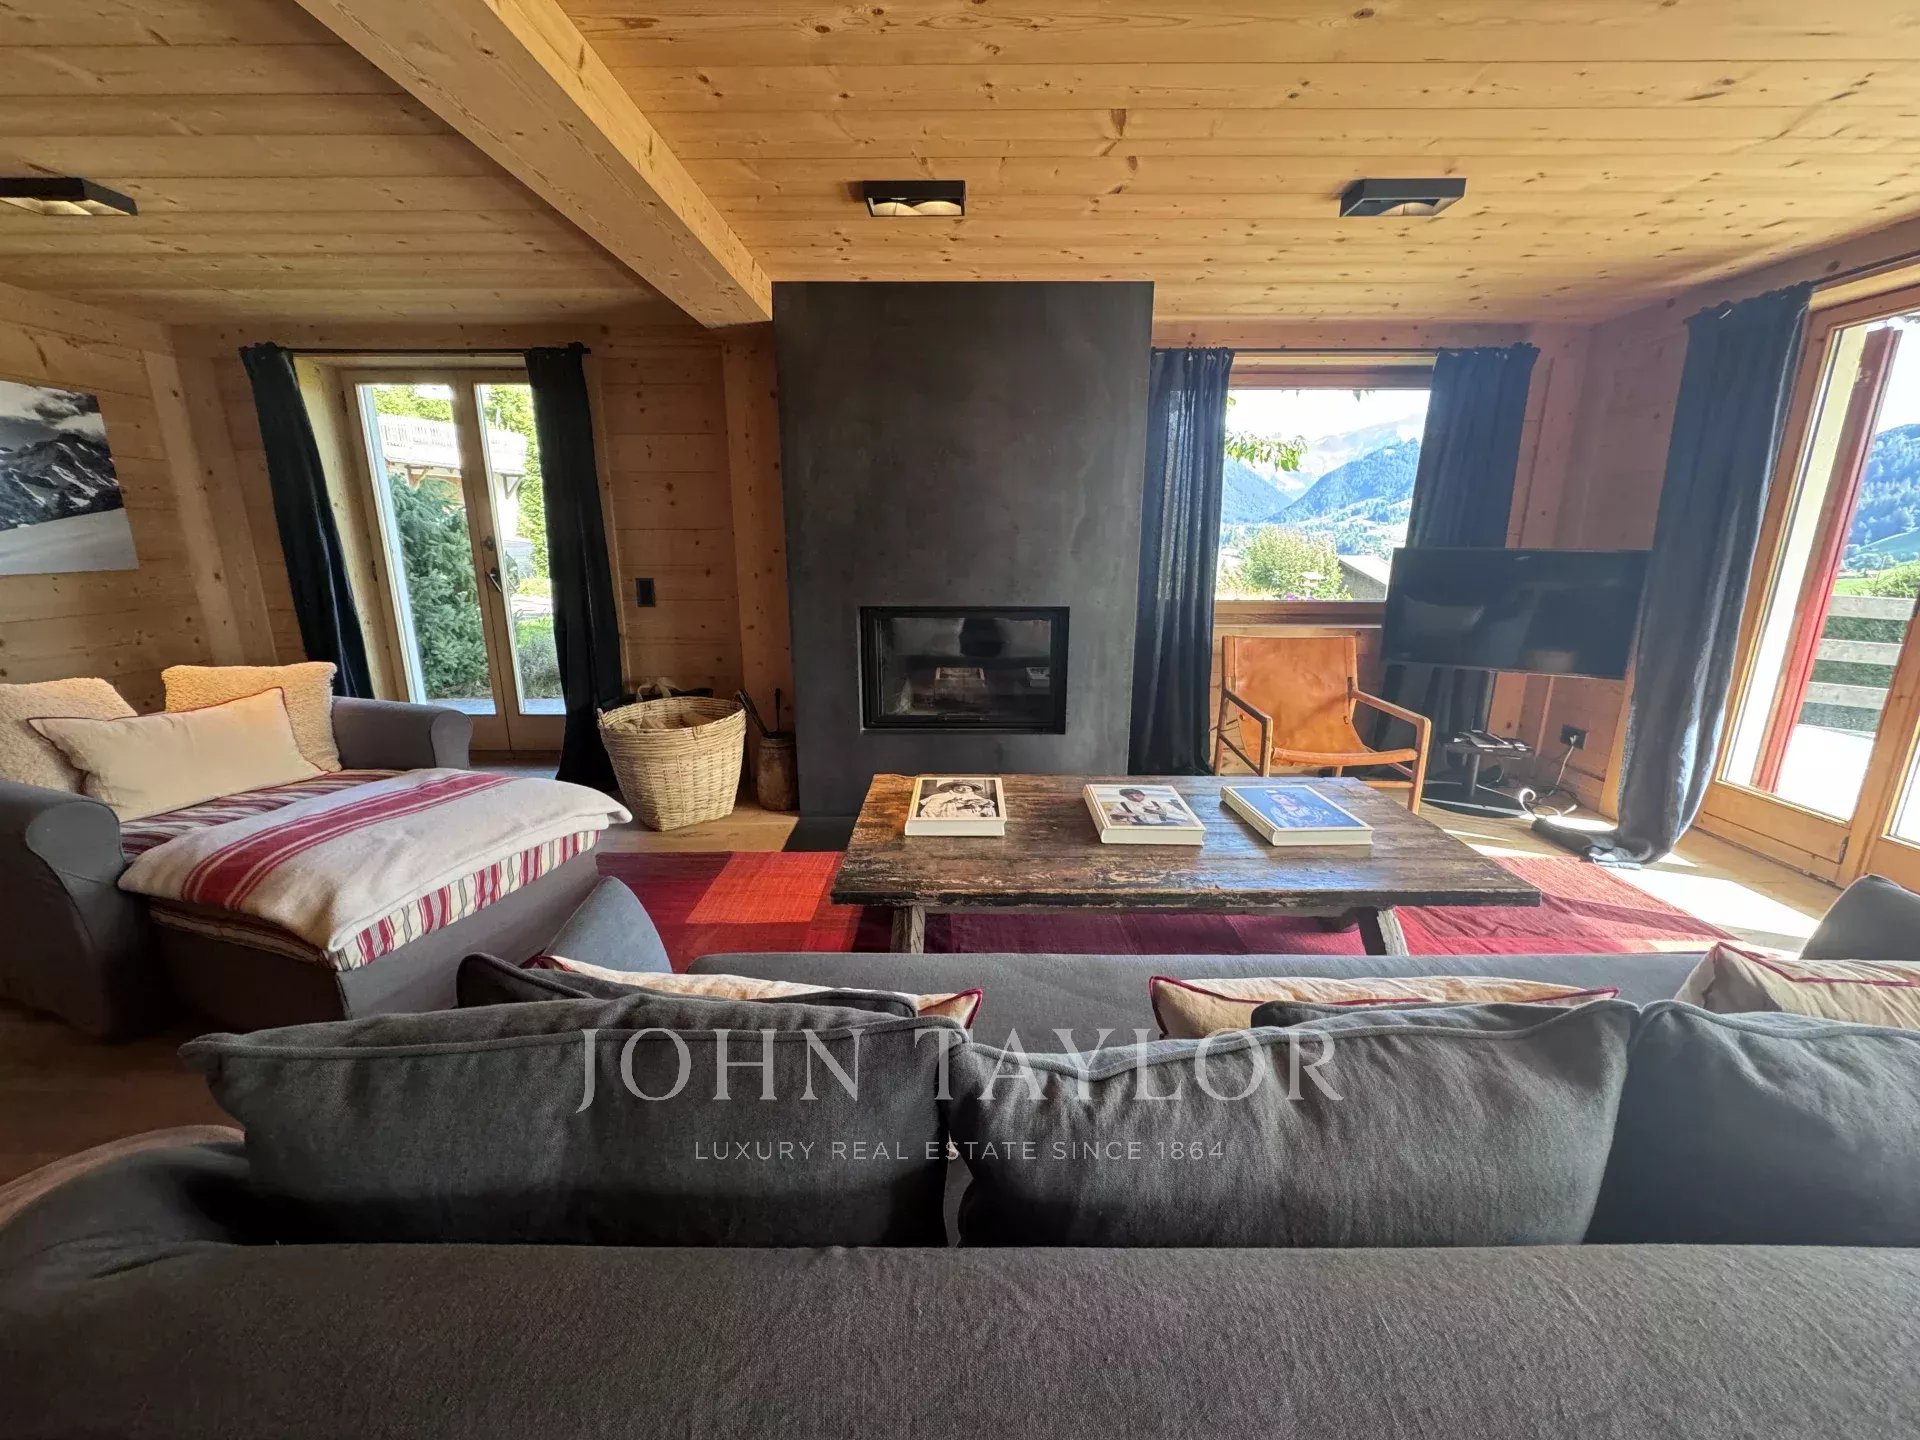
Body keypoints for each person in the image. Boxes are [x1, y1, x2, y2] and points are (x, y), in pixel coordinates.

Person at [919, 778, 997, 820]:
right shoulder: (941, 796)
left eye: (968, 788)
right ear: (953, 788)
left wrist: (983, 806)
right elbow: (929, 810)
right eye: (960, 787)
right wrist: (951, 803)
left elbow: (989, 811)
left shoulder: (977, 798)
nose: (964, 789)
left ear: (972, 790)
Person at [1107, 786, 1185, 826]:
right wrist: (1122, 816)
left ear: (1143, 794)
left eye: (1137, 795)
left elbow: (1183, 817)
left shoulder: (1157, 802)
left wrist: (1162, 813)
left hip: (1165, 826)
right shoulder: (1122, 805)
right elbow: (1110, 818)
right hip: (1139, 828)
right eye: (1130, 796)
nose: (1134, 798)